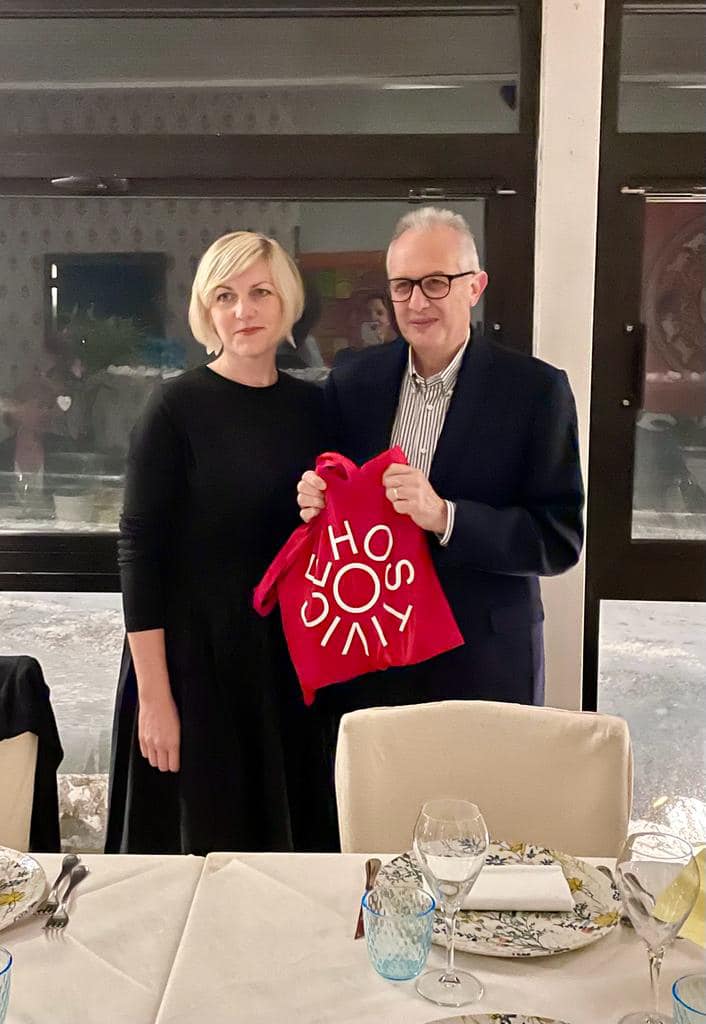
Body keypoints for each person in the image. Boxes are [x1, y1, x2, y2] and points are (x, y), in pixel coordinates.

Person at [297, 206, 584, 725]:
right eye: (402, 286)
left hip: (483, 660)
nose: (416, 302)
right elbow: (331, 489)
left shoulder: (535, 391)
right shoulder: (353, 380)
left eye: (435, 282)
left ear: (475, 287)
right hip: (369, 652)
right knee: (370, 782)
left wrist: (445, 516)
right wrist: (315, 498)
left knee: (482, 782)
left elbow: (558, 539)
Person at [106, 231, 337, 855]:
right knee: (192, 858)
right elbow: (138, 554)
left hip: (285, 665)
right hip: (190, 669)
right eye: (225, 296)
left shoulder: (316, 409)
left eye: (260, 292)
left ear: (287, 302)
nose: (243, 311)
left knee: (286, 858)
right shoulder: (173, 408)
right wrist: (155, 699)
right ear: (206, 310)